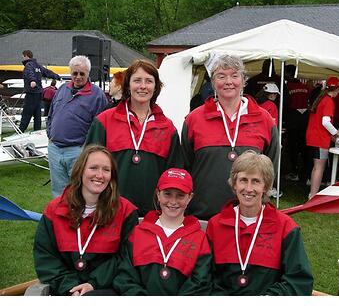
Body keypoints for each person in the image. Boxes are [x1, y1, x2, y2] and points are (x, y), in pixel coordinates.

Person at [181, 54, 279, 220]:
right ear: (213, 82)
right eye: (221, 76)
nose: (228, 81)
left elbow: (271, 168)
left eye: (234, 76)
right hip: (203, 215)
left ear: (243, 81)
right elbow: (184, 165)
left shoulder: (264, 120)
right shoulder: (194, 119)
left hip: (247, 217)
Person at [33, 145, 139, 296]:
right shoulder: (54, 210)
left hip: (106, 289)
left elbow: (126, 258)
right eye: (93, 168)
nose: (100, 175)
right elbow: (46, 257)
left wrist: (93, 283)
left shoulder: (126, 211)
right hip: (66, 290)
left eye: (106, 170)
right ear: (81, 170)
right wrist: (70, 288)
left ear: (112, 176)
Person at [206, 150, 313, 295]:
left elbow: (299, 280)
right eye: (243, 180)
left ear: (266, 186)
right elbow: (205, 278)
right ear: (234, 184)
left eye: (256, 181)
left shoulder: (286, 228)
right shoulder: (215, 225)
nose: (248, 189)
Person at [85, 59, 182, 216]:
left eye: (149, 81)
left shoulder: (168, 128)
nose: (143, 86)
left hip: (152, 215)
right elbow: (87, 167)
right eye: (137, 80)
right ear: (128, 85)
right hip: (109, 211)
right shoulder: (104, 121)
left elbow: (173, 175)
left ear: (156, 87)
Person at [113, 168, 212, 295]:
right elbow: (125, 277)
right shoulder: (137, 233)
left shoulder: (200, 238)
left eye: (180, 195)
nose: (173, 201)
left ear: (189, 198)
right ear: (158, 194)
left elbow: (200, 283)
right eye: (167, 194)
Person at [47, 55, 108, 198]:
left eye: (82, 74)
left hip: (77, 151)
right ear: (70, 73)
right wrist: (50, 134)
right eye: (75, 73)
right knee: (58, 190)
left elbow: (101, 125)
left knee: (79, 189)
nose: (78, 77)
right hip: (55, 149)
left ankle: (79, 218)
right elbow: (51, 113)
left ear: (88, 73)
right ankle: (60, 217)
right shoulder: (62, 89)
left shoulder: (97, 95)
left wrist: (87, 148)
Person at [306, 76, 339, 199]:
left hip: (314, 137)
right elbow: (325, 122)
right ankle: (313, 195)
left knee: (316, 167)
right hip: (320, 139)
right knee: (319, 168)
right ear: (336, 89)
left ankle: (312, 194)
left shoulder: (322, 99)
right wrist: (336, 132)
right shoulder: (328, 101)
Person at [20, 50, 60, 132]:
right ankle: (37, 132)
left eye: (23, 56)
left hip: (31, 93)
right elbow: (47, 72)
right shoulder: (38, 66)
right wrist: (57, 76)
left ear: (26, 56)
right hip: (39, 94)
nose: (22, 58)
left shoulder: (28, 65)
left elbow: (29, 73)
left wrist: (32, 80)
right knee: (37, 115)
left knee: (26, 114)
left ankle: (20, 132)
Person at [284, 65, 310, 183]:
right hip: (305, 118)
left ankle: (295, 172)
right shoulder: (305, 87)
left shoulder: (286, 86)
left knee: (293, 147)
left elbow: (285, 103)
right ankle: (306, 173)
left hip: (293, 118)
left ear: (289, 74)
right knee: (304, 147)